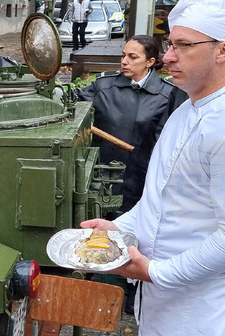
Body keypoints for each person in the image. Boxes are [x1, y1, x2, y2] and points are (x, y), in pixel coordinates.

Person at [83, 0, 225, 336]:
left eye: (183, 46)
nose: (169, 56)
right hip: (162, 303)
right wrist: (116, 227)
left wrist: (156, 272)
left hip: (203, 320)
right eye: (171, 43)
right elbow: (162, 201)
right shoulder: (187, 109)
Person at [73, 35, 185, 216]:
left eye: (133, 57)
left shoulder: (168, 94)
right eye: (123, 55)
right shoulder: (104, 86)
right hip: (100, 176)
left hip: (141, 178)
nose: (124, 61)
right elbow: (72, 103)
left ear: (150, 61)